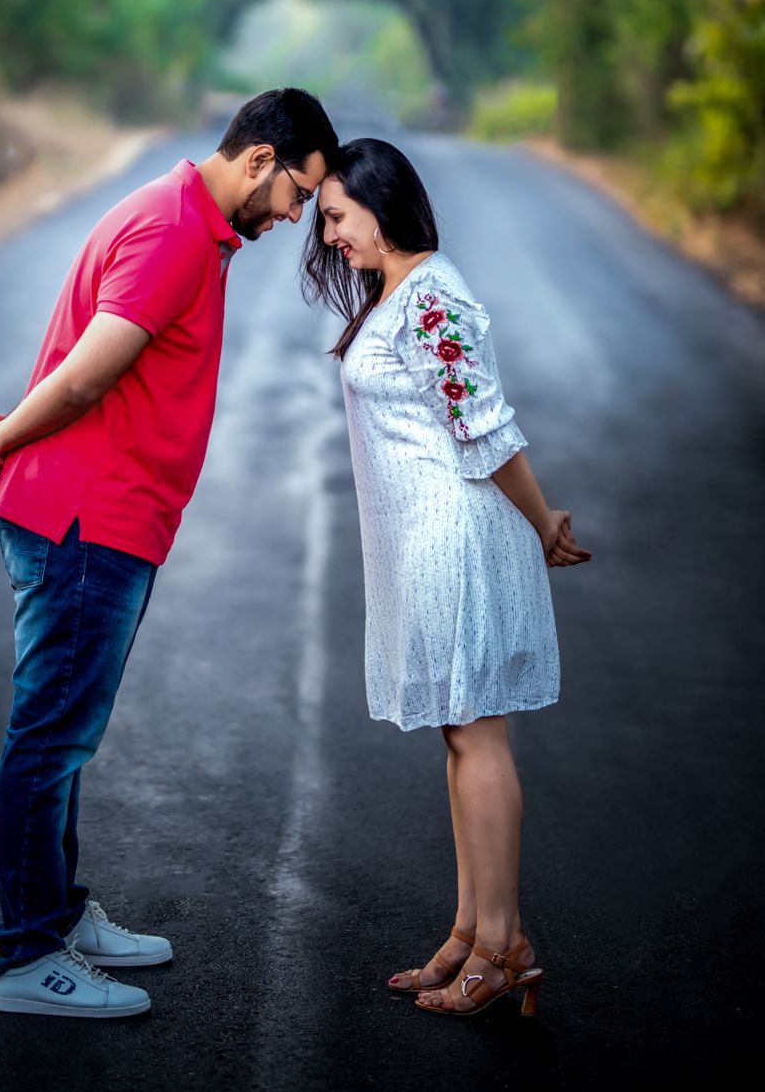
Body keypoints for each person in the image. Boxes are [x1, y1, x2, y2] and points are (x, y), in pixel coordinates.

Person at [0, 87, 339, 1019]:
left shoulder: (185, 220)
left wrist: (14, 423)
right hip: (88, 524)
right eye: (298, 194)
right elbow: (86, 375)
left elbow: (85, 352)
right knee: (49, 740)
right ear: (259, 160)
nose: (296, 218)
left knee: (63, 737)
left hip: (101, 515)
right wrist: (5, 442)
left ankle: (57, 914)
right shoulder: (173, 234)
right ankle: (23, 960)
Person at [301, 137, 591, 1021]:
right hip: (419, 545)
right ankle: (471, 931)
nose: (332, 237)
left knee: (479, 738)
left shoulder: (435, 297)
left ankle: (505, 945)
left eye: (339, 219)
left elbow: (486, 428)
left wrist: (543, 522)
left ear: (383, 209)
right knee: (459, 739)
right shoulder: (398, 293)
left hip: (458, 539)